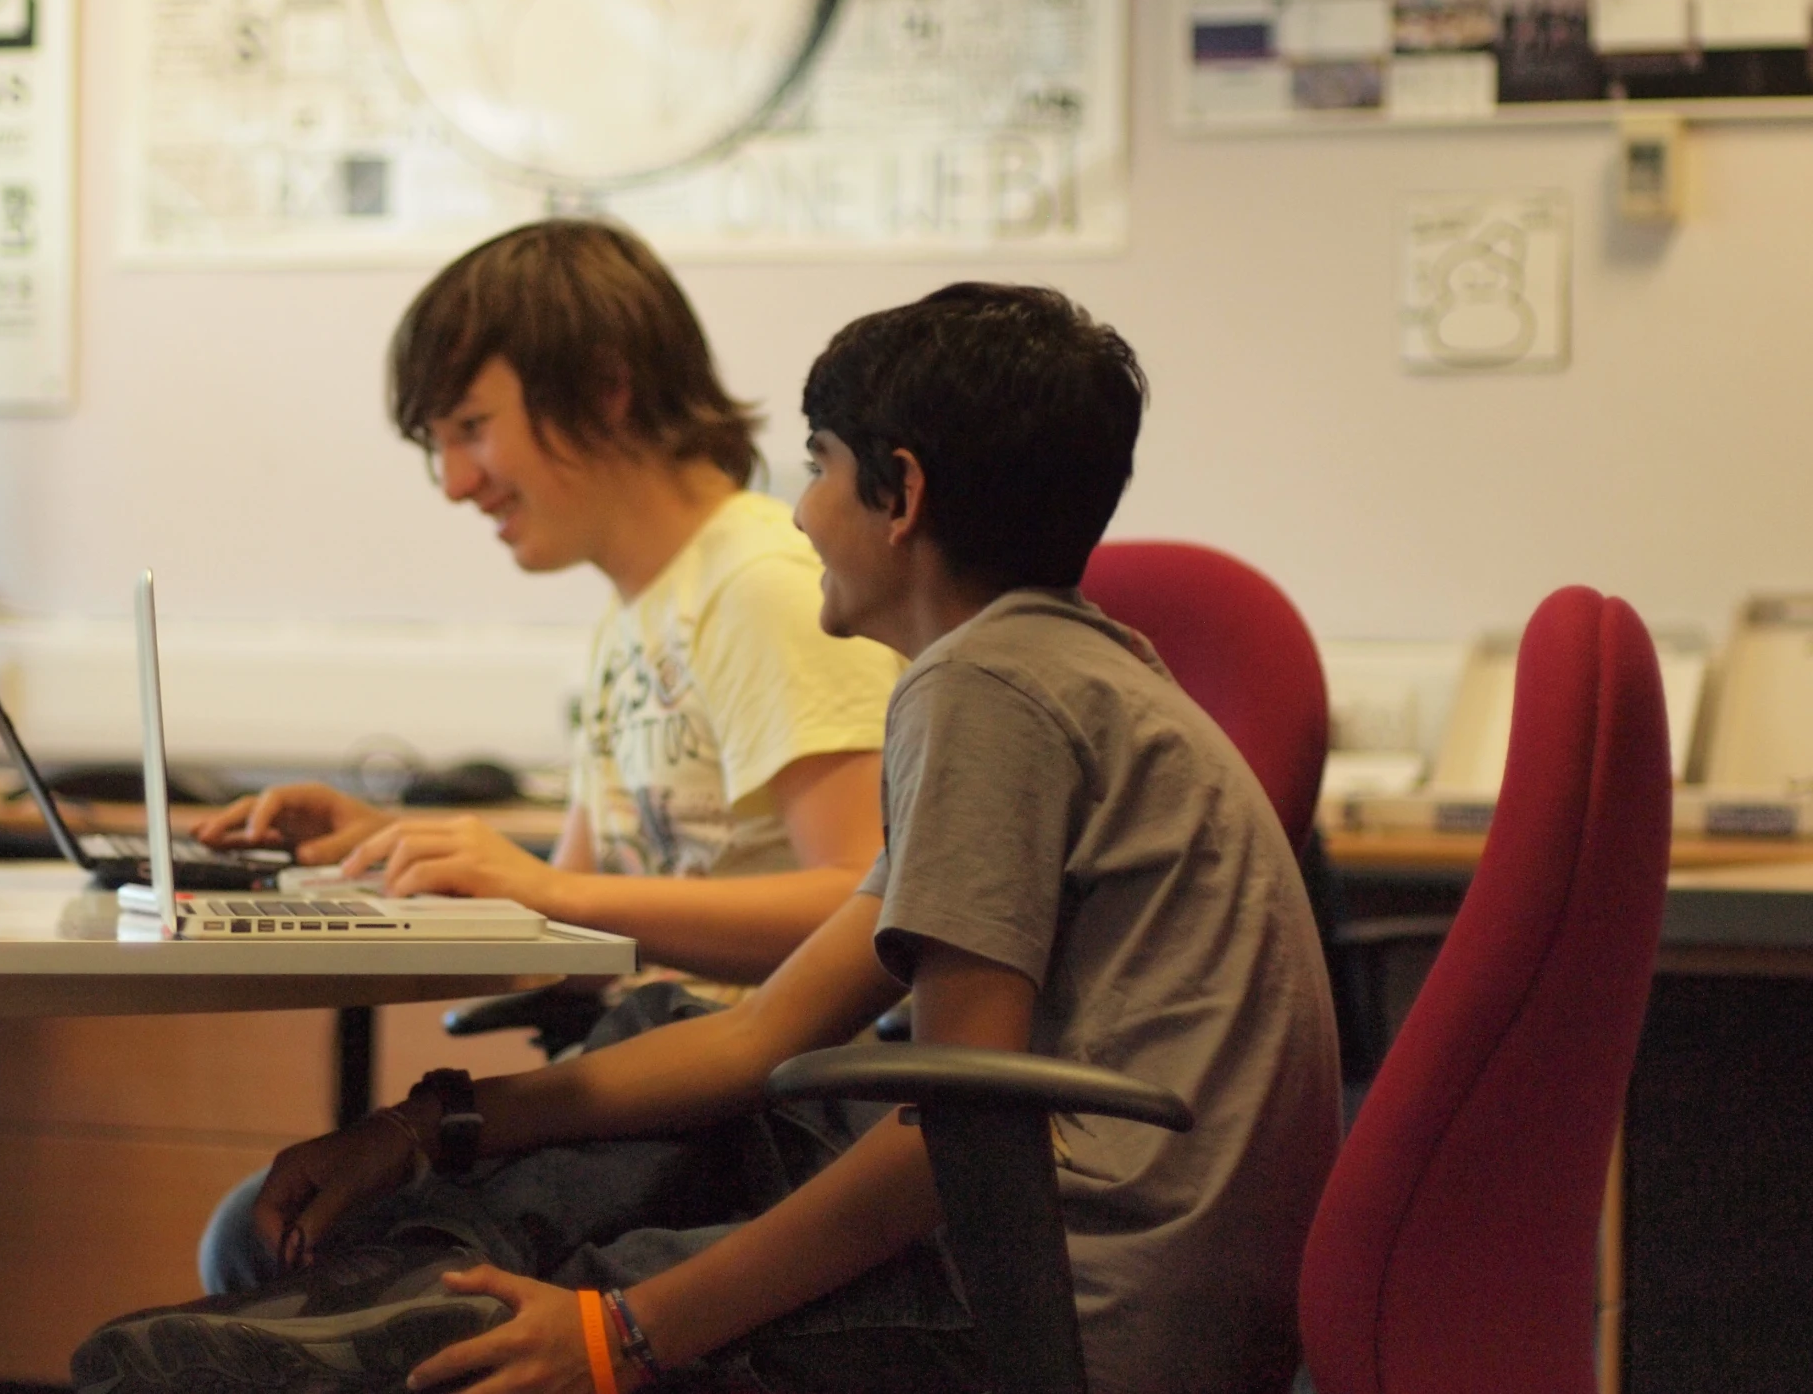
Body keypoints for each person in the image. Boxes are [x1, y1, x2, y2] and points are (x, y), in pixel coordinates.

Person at [74, 284, 1341, 1394]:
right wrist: (420, 1128)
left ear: (899, 494)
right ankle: (356, 1320)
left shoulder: (983, 694)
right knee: (611, 1151)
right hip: (1098, 1271)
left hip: (1064, 1309)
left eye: (818, 465)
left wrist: (628, 1334)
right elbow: (762, 1033)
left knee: (548, 1313)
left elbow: (962, 1129)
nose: (797, 514)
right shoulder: (1067, 674)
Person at [191, 218, 901, 1288]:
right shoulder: (635, 616)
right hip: (654, 1065)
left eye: (471, 428)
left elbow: (869, 905)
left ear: (606, 390)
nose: (455, 483)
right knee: (268, 1232)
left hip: (751, 1099)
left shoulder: (758, 584)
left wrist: (545, 883)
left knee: (309, 1254)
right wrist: (386, 845)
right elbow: (584, 900)